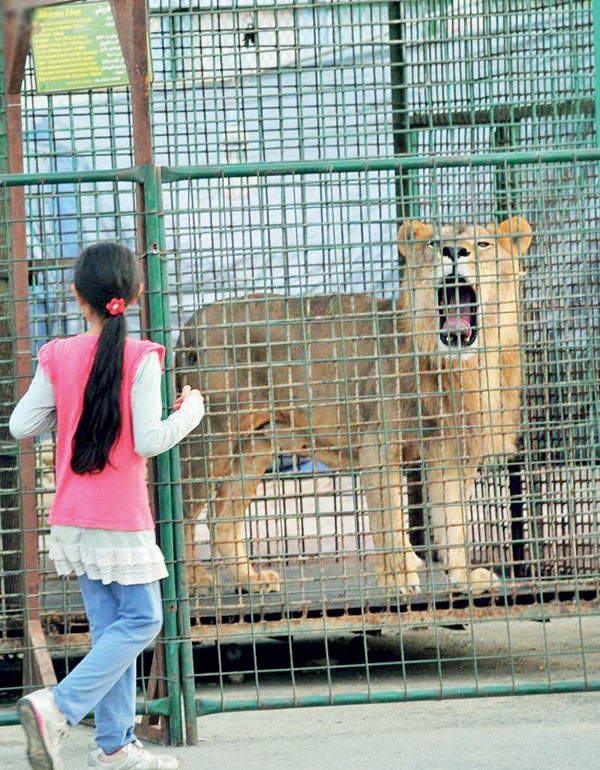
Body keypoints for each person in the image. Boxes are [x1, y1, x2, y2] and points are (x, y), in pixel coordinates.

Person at [9, 242, 205, 770]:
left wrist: (67, 416)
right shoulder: (141, 357)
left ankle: (114, 746)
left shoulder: (56, 354)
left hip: (72, 517)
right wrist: (191, 412)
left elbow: (21, 426)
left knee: (110, 631)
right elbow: (146, 439)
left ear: (77, 297)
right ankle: (59, 707)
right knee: (143, 621)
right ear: (137, 294)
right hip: (119, 518)